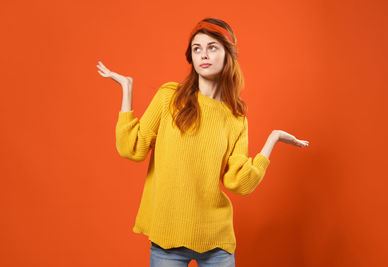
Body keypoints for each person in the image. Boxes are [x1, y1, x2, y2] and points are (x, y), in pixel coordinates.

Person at [97, 17, 309, 267]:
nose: (203, 55)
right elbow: (132, 147)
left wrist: (271, 141)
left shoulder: (236, 117)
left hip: (216, 241)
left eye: (212, 47)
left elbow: (238, 182)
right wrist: (127, 89)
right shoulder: (169, 97)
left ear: (228, 55)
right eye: (197, 49)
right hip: (168, 237)